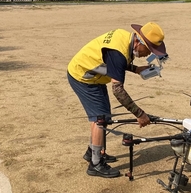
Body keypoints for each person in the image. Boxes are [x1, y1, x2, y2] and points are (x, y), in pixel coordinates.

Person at [67, 22, 167, 178]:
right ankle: (96, 164)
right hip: (83, 77)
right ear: (138, 41)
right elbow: (118, 90)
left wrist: (136, 69)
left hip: (93, 74)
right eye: (148, 49)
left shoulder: (123, 37)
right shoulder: (119, 53)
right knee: (99, 119)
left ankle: (92, 151)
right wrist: (139, 114)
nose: (148, 54)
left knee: (103, 117)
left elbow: (114, 62)